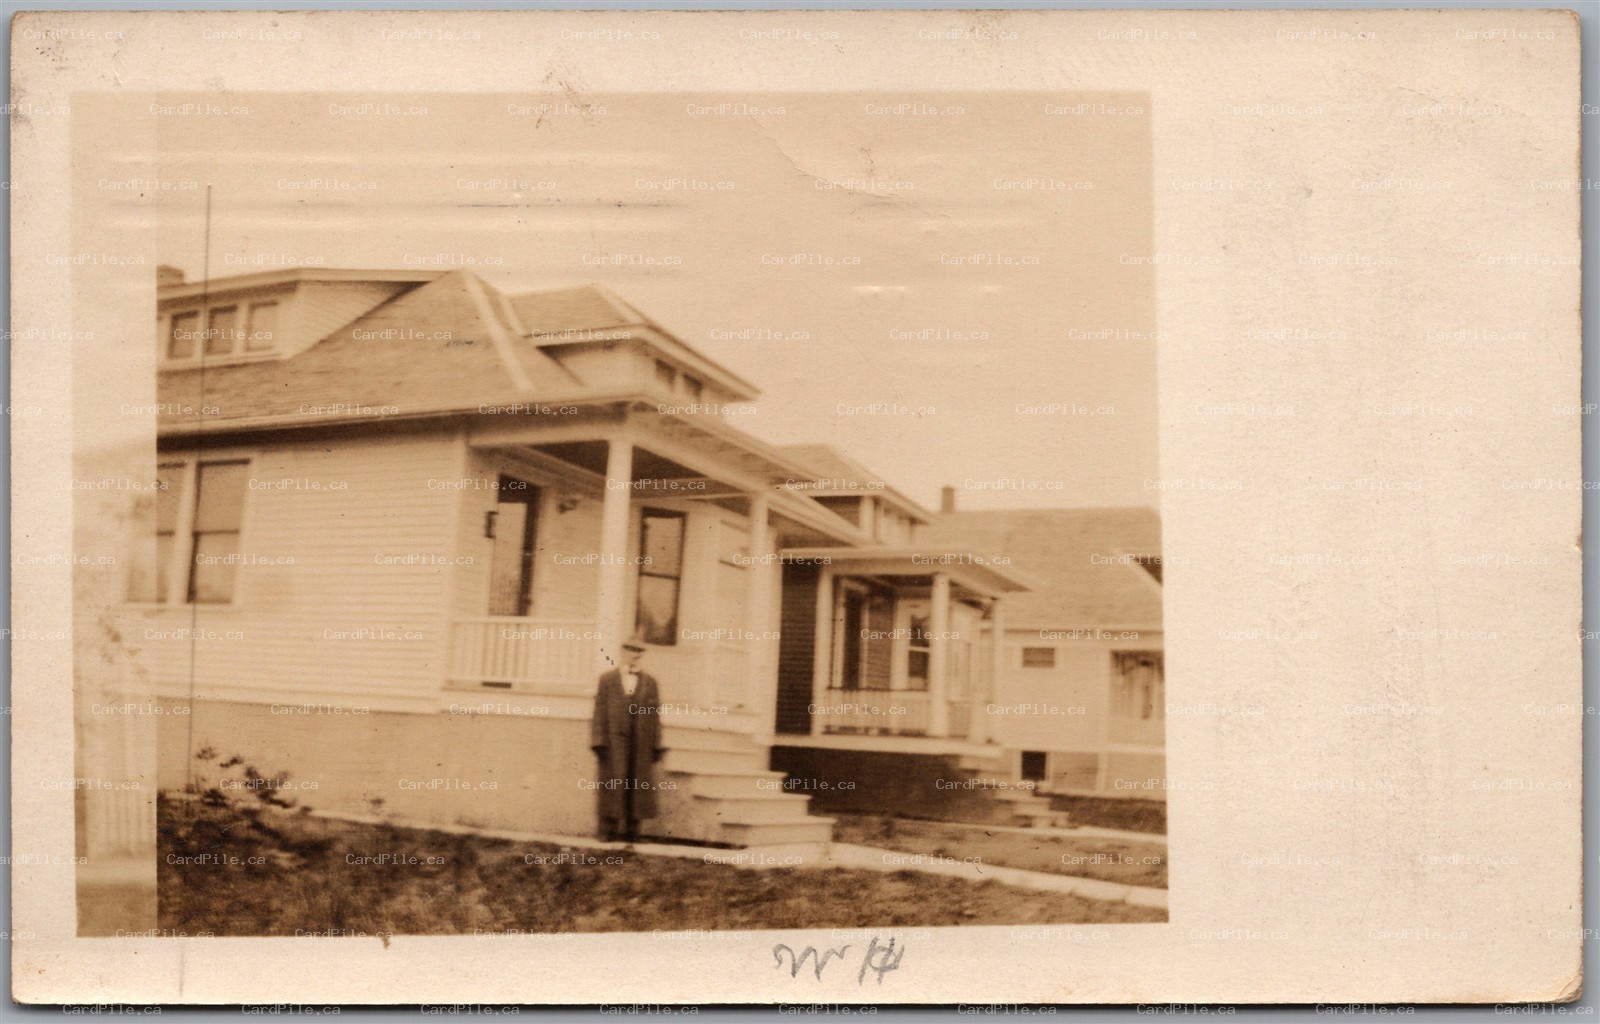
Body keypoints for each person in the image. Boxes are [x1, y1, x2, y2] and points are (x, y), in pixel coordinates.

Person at [589, 632, 666, 842]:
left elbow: (655, 716)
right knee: (612, 783)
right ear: (623, 652)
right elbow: (599, 712)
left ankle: (633, 831)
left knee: (638, 785)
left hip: (640, 741)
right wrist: (598, 740)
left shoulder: (650, 682)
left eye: (639, 651)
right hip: (613, 742)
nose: (635, 655)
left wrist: (657, 744)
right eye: (631, 650)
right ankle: (607, 830)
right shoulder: (607, 680)